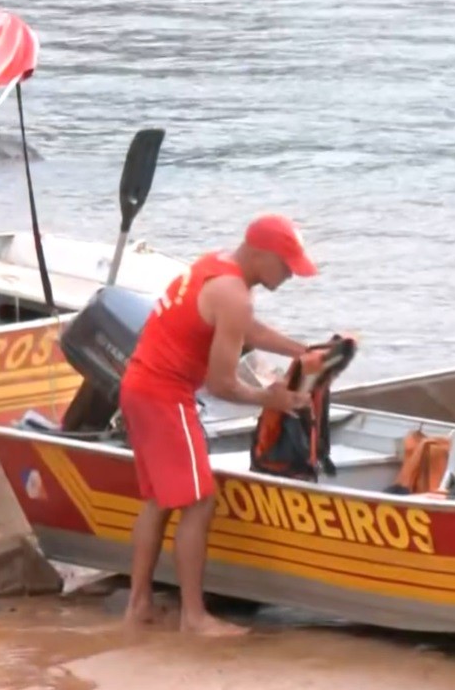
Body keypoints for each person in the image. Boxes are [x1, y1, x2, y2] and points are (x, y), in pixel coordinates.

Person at [118, 213, 321, 636]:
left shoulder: (217, 265)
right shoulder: (235, 295)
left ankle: (138, 605)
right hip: (164, 394)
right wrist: (272, 398)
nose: (289, 276)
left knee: (160, 499)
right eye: (286, 266)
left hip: (139, 385)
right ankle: (195, 619)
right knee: (199, 501)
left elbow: (248, 329)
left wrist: (303, 351)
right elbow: (221, 384)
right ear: (263, 255)